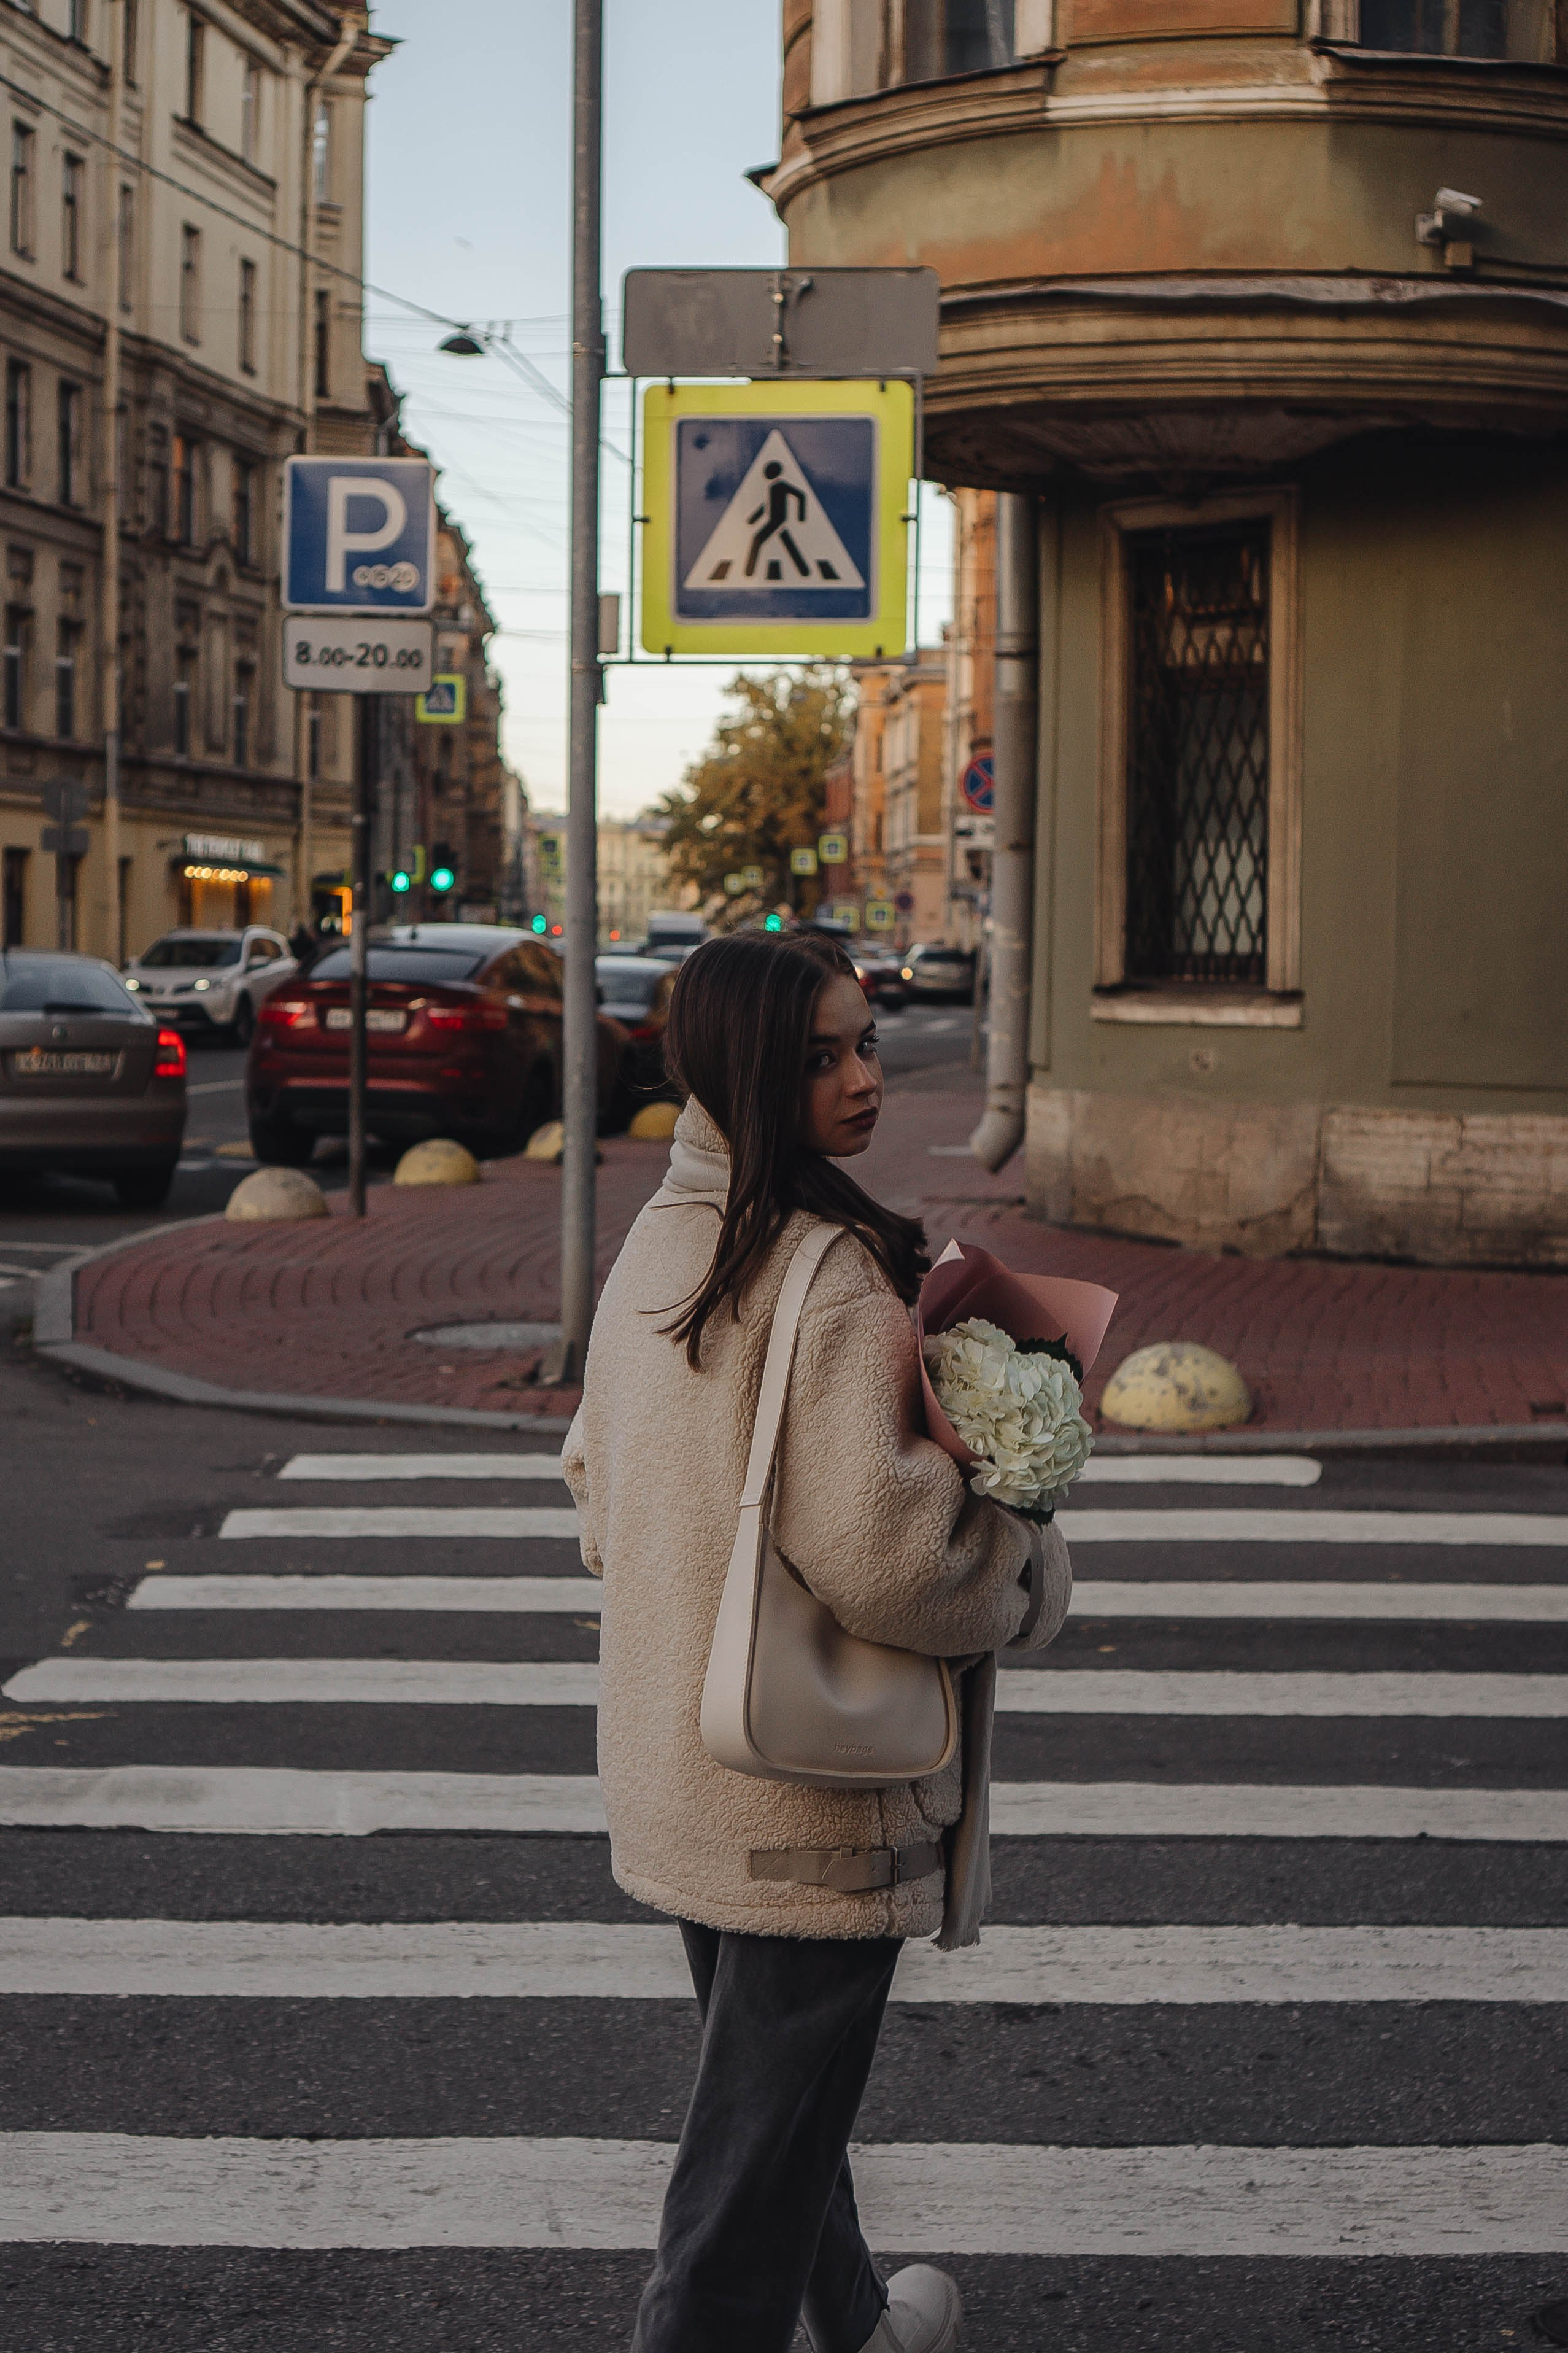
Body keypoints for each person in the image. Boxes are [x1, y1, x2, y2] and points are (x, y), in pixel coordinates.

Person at [563, 931, 1072, 2353]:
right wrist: (1016, 1544)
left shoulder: (659, 1245)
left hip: (683, 1759)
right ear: (745, 1072)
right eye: (821, 1056)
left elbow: (594, 1487)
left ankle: (857, 2325)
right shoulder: (831, 1279)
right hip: (810, 1791)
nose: (864, 1078)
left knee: (778, 2104)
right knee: (741, 2183)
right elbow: (893, 1562)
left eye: (863, 1043)